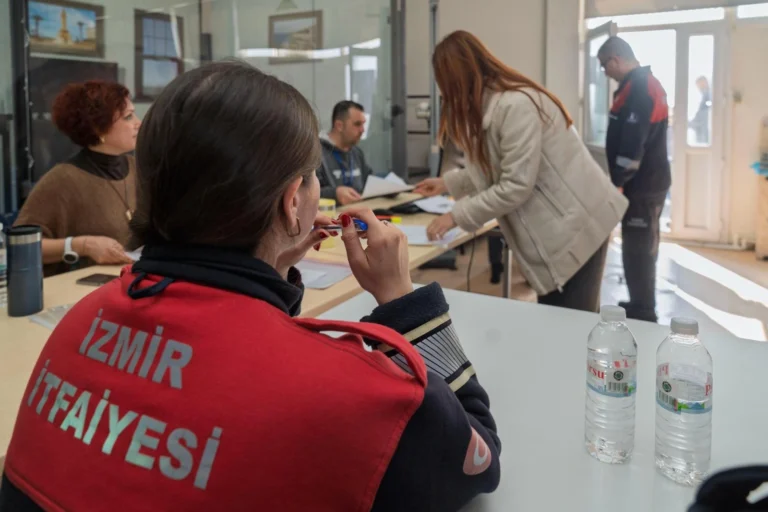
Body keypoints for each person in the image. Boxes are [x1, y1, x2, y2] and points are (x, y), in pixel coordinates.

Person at [0, 62, 501, 512]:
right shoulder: (344, 392)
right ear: (292, 205)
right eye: (311, 182)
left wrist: (274, 264)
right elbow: (477, 457)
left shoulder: (79, 323)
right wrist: (404, 302)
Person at [415, 31, 627, 313]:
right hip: (567, 227)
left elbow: (515, 185)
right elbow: (496, 171)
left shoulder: (516, 106)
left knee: (569, 327)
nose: (445, 95)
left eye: (445, 84)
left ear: (459, 78)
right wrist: (446, 183)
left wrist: (455, 216)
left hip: (577, 229)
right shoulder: (496, 107)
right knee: (566, 323)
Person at [13, 81, 141, 275]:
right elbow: (21, 248)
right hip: (88, 294)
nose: (138, 123)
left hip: (139, 283)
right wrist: (82, 245)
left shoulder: (138, 169)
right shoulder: (61, 180)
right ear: (99, 128)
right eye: (128, 117)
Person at [598, 36, 671, 322]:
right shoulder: (637, 84)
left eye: (605, 66)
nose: (605, 72)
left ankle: (644, 311)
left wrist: (617, 181)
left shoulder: (640, 88)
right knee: (638, 245)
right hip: (646, 183)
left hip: (643, 186)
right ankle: (640, 301)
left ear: (615, 60)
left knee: (639, 248)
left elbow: (632, 144)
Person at [318, 100, 375, 205]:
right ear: (339, 125)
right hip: (330, 218)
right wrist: (334, 194)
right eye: (357, 124)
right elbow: (304, 193)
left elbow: (371, 182)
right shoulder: (315, 153)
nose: (362, 130)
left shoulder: (357, 153)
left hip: (358, 215)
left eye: (363, 124)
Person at [689, 76, 711, 145]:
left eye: (700, 85)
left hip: (705, 132)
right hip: (704, 132)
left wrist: (688, 123)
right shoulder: (706, 97)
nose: (699, 88)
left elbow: (702, 115)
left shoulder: (708, 97)